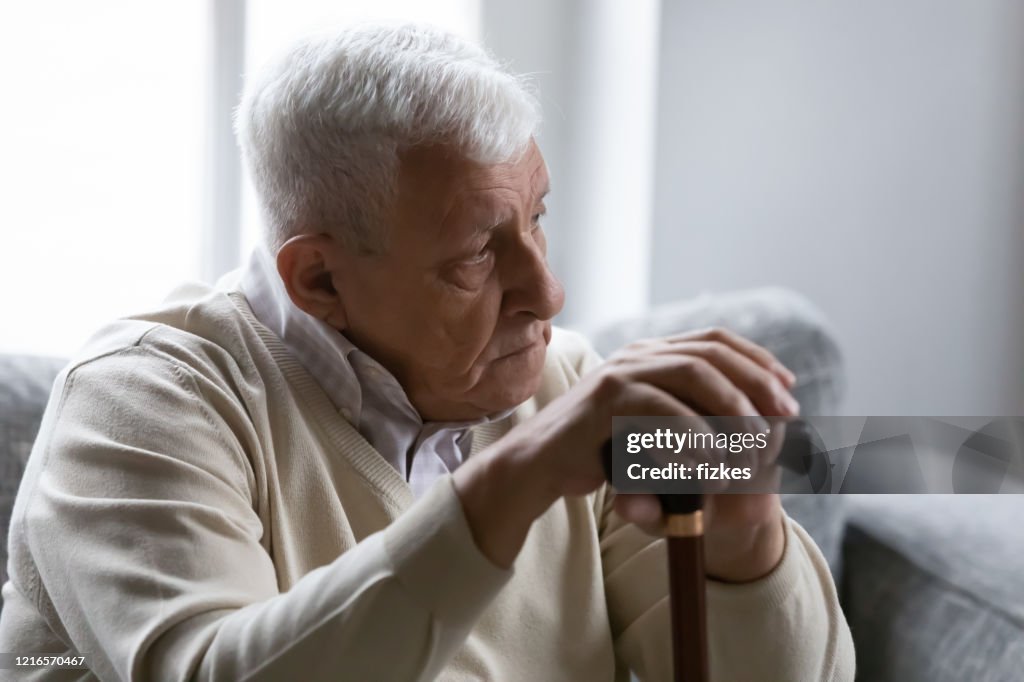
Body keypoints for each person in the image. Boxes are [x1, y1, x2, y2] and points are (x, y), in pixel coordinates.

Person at [0, 22, 854, 681]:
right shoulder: (142, 403)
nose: (548, 296)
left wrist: (742, 549)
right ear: (319, 278)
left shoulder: (564, 387)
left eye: (538, 220)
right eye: (475, 256)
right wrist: (517, 480)